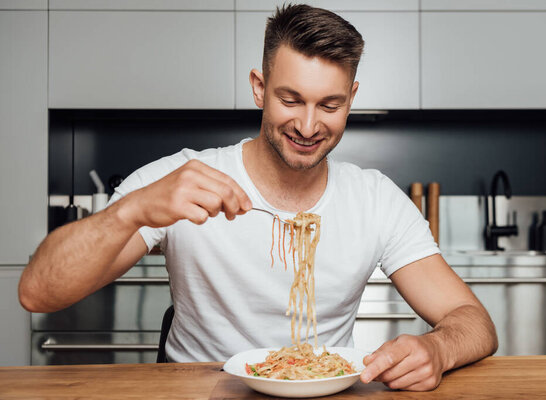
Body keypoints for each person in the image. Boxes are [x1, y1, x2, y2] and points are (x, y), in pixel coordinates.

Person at [19, 4, 497, 391]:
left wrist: (439, 349)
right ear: (259, 89)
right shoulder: (181, 177)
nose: (308, 126)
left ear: (351, 98)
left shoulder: (375, 199)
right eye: (291, 100)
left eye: (329, 105)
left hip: (322, 392)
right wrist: (132, 210)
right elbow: (38, 292)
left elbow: (472, 321)